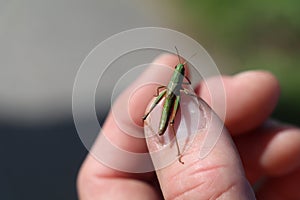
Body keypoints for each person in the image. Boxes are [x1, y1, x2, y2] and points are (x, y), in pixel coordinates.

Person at [77, 54, 300, 199]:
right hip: (169, 98)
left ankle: (169, 139)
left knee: (173, 111)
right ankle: (169, 139)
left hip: (172, 97)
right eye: (180, 70)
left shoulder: (178, 80)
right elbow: (177, 88)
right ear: (179, 73)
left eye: (181, 70)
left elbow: (180, 90)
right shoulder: (177, 79)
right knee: (165, 111)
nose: (180, 71)